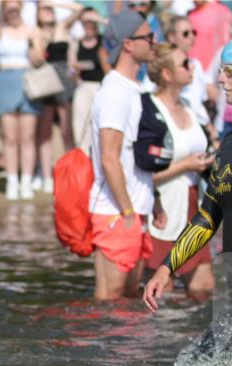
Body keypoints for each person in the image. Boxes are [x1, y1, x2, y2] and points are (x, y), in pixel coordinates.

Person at [144, 33, 232, 358]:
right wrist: (167, 267)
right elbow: (208, 216)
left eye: (230, 70)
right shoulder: (231, 144)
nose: (220, 78)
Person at [89, 10, 164, 300]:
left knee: (130, 298)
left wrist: (152, 203)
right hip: (116, 211)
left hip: (135, 208)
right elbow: (109, 157)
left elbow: (136, 153)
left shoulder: (136, 89)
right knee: (110, 299)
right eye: (148, 36)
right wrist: (128, 212)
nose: (154, 41)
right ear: (128, 44)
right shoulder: (114, 93)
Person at [144, 43, 215, 299]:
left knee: (203, 289)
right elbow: (142, 172)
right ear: (167, 74)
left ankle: (197, 338)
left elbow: (207, 143)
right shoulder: (150, 110)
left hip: (193, 204)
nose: (192, 67)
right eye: (185, 64)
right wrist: (186, 165)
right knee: (163, 294)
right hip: (163, 208)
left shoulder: (188, 105)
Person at [0, 0, 44, 200]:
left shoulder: (32, 31)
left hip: (27, 80)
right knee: (10, 137)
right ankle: (13, 180)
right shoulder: (0, 30)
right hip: (6, 80)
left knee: (27, 136)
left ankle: (26, 180)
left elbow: (39, 60)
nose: (12, 12)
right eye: (8, 9)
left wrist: (32, 46)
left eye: (15, 8)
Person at [34, 1, 81, 194]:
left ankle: (70, 172)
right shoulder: (36, 32)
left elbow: (77, 9)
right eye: (44, 10)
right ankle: (46, 175)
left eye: (50, 10)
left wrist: (51, 2)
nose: (48, 12)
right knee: (44, 131)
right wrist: (43, 41)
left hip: (63, 79)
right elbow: (37, 58)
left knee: (66, 128)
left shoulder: (62, 27)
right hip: (46, 79)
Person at [164, 13, 219, 147]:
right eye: (185, 34)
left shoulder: (196, 64)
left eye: (193, 32)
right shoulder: (162, 65)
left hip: (200, 131)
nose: (192, 37)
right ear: (171, 37)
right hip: (177, 133)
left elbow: (202, 99)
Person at [70, 6, 108, 148]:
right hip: (84, 87)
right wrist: (75, 71)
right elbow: (71, 72)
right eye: (86, 22)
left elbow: (114, 28)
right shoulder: (76, 43)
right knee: (81, 130)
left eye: (92, 22)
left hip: (102, 87)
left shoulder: (104, 41)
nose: (89, 25)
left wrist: (95, 17)